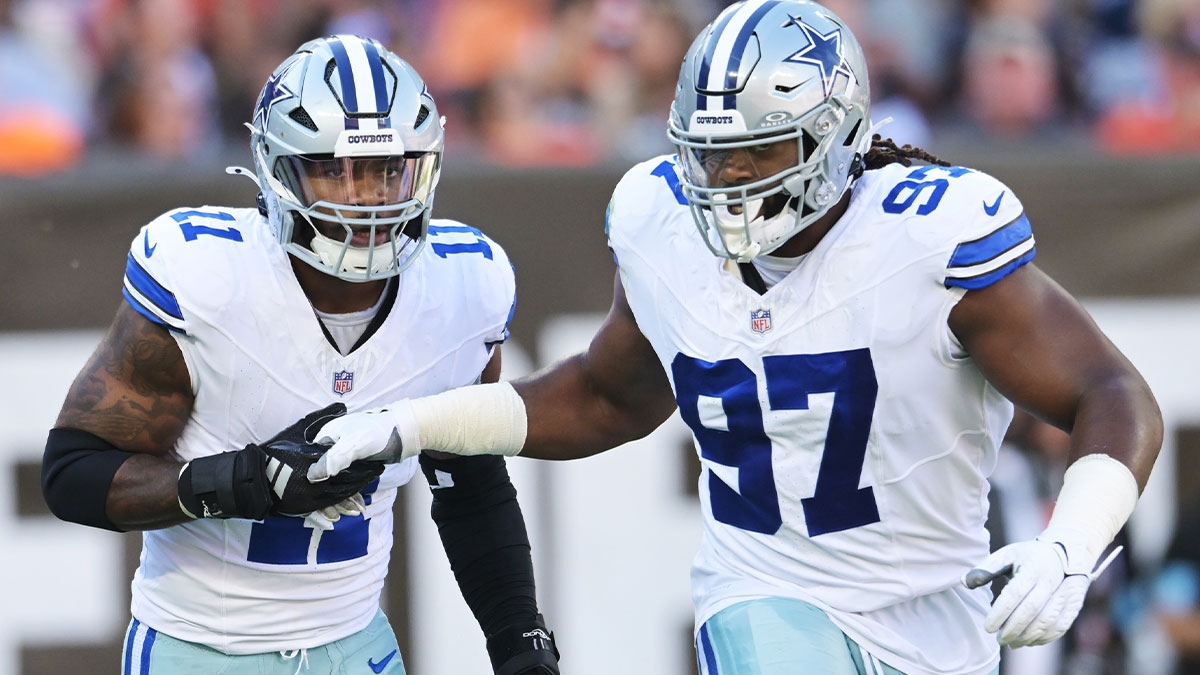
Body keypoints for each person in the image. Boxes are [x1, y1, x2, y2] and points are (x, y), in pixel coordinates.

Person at [310, 3, 1163, 674]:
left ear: (833, 139)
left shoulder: (926, 239)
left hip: (937, 619)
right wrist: (413, 423)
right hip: (765, 589)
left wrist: (1071, 542)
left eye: (758, 155)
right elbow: (608, 395)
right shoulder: (659, 221)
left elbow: (1112, 393)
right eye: (710, 157)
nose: (726, 183)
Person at [40, 34, 560, 675]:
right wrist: (245, 481)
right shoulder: (207, 277)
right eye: (332, 168)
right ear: (276, 169)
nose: (365, 196)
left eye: (384, 168)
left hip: (359, 647)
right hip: (202, 650)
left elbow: (470, 483)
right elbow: (73, 472)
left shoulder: (464, 287)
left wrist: (518, 644)